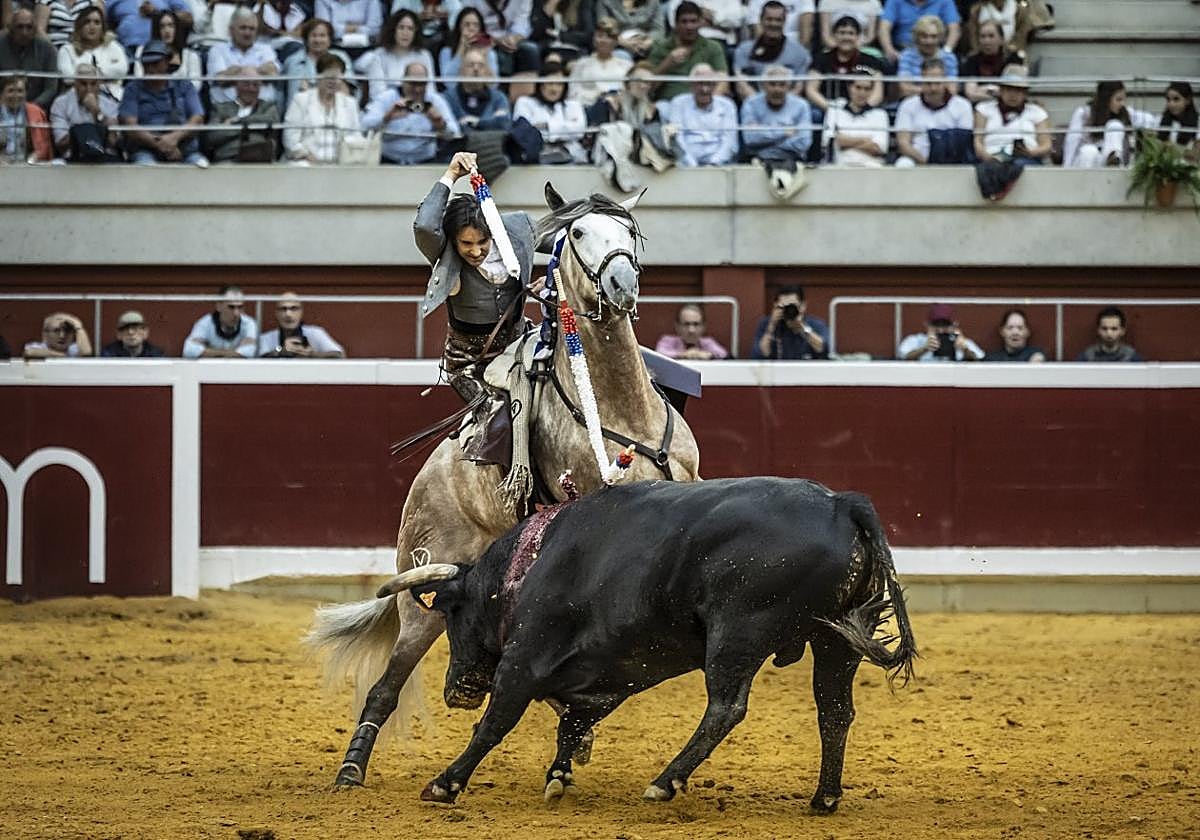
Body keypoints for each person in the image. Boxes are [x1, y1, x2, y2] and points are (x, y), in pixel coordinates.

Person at [413, 149, 538, 407]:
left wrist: (551, 279)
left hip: (519, 348)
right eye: (466, 243)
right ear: (454, 240)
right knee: (496, 418)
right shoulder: (444, 251)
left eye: (483, 242)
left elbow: (562, 241)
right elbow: (425, 226)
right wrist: (451, 175)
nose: (476, 251)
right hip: (468, 363)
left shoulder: (517, 230)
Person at [117, 39, 206, 165]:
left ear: (167, 62)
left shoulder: (184, 85)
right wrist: (161, 144)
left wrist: (174, 138)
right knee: (146, 167)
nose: (150, 68)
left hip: (183, 148)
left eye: (155, 63)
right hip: (146, 149)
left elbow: (197, 118)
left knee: (201, 165)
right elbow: (130, 124)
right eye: (146, 64)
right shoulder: (133, 88)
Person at [362, 60, 459, 164]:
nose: (417, 89)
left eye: (422, 84)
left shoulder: (434, 100)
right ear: (403, 81)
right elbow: (364, 126)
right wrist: (387, 117)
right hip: (390, 160)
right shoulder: (387, 98)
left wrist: (440, 124)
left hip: (425, 162)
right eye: (413, 83)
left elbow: (455, 133)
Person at [740, 63, 813, 197]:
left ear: (789, 86)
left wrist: (764, 139)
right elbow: (750, 138)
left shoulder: (801, 105)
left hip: (792, 159)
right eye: (772, 84)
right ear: (763, 86)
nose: (777, 89)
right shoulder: (751, 103)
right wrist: (784, 133)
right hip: (758, 161)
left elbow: (803, 142)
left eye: (782, 84)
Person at [283, 52, 361, 163]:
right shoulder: (301, 100)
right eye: (328, 77)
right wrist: (308, 157)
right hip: (307, 161)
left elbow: (356, 136)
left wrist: (344, 156)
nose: (332, 82)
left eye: (336, 78)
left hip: (340, 163)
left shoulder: (350, 103)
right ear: (318, 76)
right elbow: (290, 140)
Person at [894, 58, 973, 166]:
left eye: (937, 83)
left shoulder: (963, 105)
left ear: (945, 81)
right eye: (928, 83)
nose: (933, 88)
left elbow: (963, 142)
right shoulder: (908, 105)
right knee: (902, 164)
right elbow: (903, 143)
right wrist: (927, 163)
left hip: (952, 161)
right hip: (917, 159)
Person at [1063, 80, 1158, 169]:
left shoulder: (1125, 113)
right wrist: (1066, 169)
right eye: (1118, 99)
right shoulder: (1084, 113)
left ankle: (1113, 160)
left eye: (1124, 100)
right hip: (1085, 160)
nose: (1122, 104)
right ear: (1106, 98)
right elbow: (1072, 142)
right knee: (1089, 151)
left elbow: (1148, 120)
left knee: (1115, 125)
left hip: (1104, 162)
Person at [648, 1, 727, 102]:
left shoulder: (713, 47)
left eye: (693, 21)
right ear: (676, 24)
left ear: (700, 23)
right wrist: (667, 63)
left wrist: (710, 104)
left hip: (703, 104)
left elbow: (723, 82)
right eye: (684, 22)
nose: (689, 26)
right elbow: (648, 87)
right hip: (669, 104)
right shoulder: (661, 47)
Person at [512, 56, 587, 163]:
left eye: (559, 84)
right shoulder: (525, 102)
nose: (554, 89)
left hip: (570, 155)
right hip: (536, 156)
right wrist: (565, 128)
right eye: (550, 83)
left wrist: (547, 125)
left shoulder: (573, 105)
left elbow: (579, 130)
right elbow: (524, 132)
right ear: (541, 85)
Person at [733, 0, 811, 101]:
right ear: (761, 20)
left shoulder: (800, 52)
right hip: (754, 107)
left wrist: (781, 105)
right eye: (769, 19)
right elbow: (742, 85)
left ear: (784, 21)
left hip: (789, 108)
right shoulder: (744, 50)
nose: (773, 24)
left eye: (778, 20)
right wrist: (762, 105)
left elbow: (798, 87)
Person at [805, 15, 883, 114]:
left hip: (863, 109)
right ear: (834, 35)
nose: (846, 37)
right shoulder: (821, 59)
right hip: (828, 108)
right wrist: (832, 109)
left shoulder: (871, 61)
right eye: (842, 33)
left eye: (851, 33)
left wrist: (863, 108)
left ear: (858, 36)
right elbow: (811, 90)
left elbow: (878, 93)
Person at [973, 64, 1049, 165]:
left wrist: (1031, 152)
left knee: (1018, 165)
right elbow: (978, 141)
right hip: (991, 157)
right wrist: (987, 157)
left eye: (1018, 90)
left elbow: (1046, 145)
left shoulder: (1036, 112)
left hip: (1025, 159)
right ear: (1001, 90)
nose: (1013, 95)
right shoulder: (984, 109)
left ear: (1025, 93)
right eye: (1009, 89)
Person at [665, 63, 737, 167]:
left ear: (715, 85)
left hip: (719, 163)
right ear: (691, 84)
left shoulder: (727, 105)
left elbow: (729, 141)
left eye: (709, 84)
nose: (705, 89)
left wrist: (714, 163)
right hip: (687, 164)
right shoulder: (678, 103)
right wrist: (692, 165)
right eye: (700, 83)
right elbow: (677, 138)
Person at [356, 9, 436, 103]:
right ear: (393, 30)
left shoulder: (424, 55)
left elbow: (431, 89)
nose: (405, 33)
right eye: (401, 27)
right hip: (385, 107)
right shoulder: (379, 54)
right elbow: (377, 92)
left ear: (416, 32)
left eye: (410, 28)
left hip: (417, 105)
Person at [204, 66, 280, 163]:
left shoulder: (267, 106)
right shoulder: (220, 108)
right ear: (236, 85)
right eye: (246, 84)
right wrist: (252, 128)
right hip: (229, 159)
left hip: (260, 159)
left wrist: (237, 122)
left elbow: (272, 121)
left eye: (256, 85)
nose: (251, 89)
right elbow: (212, 136)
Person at [207, 8, 279, 106]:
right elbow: (220, 80)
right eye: (243, 28)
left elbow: (273, 74)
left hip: (262, 110)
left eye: (252, 29)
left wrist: (235, 72)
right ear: (231, 30)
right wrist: (257, 72)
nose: (247, 33)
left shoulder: (266, 49)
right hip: (226, 108)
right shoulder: (217, 50)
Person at [50, 61, 119, 159]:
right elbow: (60, 142)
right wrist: (83, 133)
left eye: (93, 84)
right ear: (75, 84)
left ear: (99, 84)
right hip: (73, 157)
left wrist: (97, 112)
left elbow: (113, 141)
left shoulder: (110, 104)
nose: (88, 89)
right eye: (83, 84)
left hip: (104, 156)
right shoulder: (60, 104)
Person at [280, 18, 353, 109]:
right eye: (314, 35)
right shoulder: (293, 61)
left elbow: (348, 90)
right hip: (301, 112)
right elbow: (286, 94)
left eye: (322, 36)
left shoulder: (341, 57)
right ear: (306, 39)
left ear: (330, 39)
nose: (318, 40)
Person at [56, 5, 126, 98]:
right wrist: (104, 77)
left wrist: (86, 76)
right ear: (79, 26)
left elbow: (121, 70)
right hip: (77, 97)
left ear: (103, 27)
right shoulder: (67, 50)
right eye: (87, 22)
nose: (92, 27)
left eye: (97, 22)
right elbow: (68, 78)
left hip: (112, 97)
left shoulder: (113, 46)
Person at [458, 0, 540, 77]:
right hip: (481, 37)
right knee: (501, 55)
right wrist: (493, 40)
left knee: (530, 49)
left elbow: (522, 22)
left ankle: (524, 91)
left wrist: (513, 39)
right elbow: (468, 25)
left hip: (509, 36)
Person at [0, 6, 59, 111]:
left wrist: (30, 108)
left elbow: (51, 89)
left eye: (29, 27)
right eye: (20, 27)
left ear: (35, 29)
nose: (24, 32)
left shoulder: (47, 49)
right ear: (11, 28)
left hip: (36, 107)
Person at [822, 72, 887, 165]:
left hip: (871, 166)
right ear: (849, 88)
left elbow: (878, 148)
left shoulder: (880, 114)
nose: (862, 93)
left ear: (872, 91)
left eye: (867, 89)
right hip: (840, 166)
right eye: (858, 87)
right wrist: (865, 140)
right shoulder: (835, 109)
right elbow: (829, 141)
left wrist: (846, 142)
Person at [751, 285, 829, 360]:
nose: (788, 310)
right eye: (783, 306)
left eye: (792, 306)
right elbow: (760, 354)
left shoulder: (815, 324)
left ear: (803, 306)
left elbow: (823, 348)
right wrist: (771, 326)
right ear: (775, 306)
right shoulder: (766, 324)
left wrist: (802, 328)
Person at [132, 10, 202, 92]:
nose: (167, 30)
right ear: (157, 30)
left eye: (171, 25)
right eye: (162, 26)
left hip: (181, 100)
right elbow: (139, 78)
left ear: (177, 28)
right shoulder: (141, 51)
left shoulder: (190, 55)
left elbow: (196, 84)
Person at [567, 17, 631, 106]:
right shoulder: (582, 64)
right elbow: (573, 94)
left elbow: (631, 93)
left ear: (615, 41)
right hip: (588, 108)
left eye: (609, 37)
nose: (603, 41)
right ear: (594, 40)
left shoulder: (627, 66)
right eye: (600, 36)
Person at [258, 292, 346, 357]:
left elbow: (339, 355)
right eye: (283, 309)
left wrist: (312, 354)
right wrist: (281, 350)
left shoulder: (315, 333)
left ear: (301, 312)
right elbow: (258, 360)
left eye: (294, 308)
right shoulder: (267, 338)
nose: (288, 314)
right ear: (276, 313)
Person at [444, 44, 510, 130]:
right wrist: (490, 123)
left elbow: (503, 125)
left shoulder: (499, 98)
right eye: (471, 65)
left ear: (486, 71)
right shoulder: (448, 98)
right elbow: (449, 128)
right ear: (461, 71)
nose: (476, 69)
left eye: (481, 65)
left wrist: (477, 123)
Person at [182, 285, 258, 358]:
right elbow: (189, 350)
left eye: (240, 307)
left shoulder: (249, 324)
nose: (236, 313)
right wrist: (234, 352)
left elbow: (250, 352)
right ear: (219, 306)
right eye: (231, 307)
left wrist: (209, 351)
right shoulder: (206, 323)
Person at [437, 7, 499, 95]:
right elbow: (449, 83)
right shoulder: (446, 52)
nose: (471, 28)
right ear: (459, 27)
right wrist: (461, 49)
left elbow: (493, 85)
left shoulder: (490, 53)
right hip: (456, 97)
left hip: (483, 96)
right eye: (467, 24)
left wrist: (484, 57)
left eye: (476, 25)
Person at [878, 0, 959, 63]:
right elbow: (884, 28)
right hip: (901, 51)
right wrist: (889, 51)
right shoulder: (894, 1)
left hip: (935, 50)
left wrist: (946, 52)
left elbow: (954, 30)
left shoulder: (945, 1)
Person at [896, 13, 956, 98]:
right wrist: (936, 91)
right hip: (913, 101)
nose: (929, 41)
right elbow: (904, 89)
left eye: (934, 36)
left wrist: (921, 90)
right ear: (917, 37)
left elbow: (952, 90)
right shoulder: (907, 56)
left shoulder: (949, 58)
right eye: (924, 36)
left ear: (940, 38)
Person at [897, 302, 984, 361]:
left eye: (945, 325)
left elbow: (980, 360)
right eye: (936, 325)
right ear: (927, 325)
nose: (941, 330)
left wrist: (965, 350)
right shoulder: (916, 340)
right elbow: (903, 358)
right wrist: (924, 349)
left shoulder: (962, 342)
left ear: (954, 325)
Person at [960, 19, 1018, 103]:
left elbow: (1012, 91)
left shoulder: (1013, 59)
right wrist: (996, 92)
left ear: (1001, 39)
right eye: (983, 36)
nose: (986, 41)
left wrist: (981, 89)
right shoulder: (971, 61)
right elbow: (971, 94)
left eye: (991, 36)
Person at [1, 72, 52, 161]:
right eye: (11, 91)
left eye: (20, 91)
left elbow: (43, 146)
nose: (16, 95)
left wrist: (31, 160)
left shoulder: (36, 112)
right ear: (1, 94)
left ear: (26, 93)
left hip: (27, 164)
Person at [105, 0, 192, 51]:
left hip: (159, 49)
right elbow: (100, 16)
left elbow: (188, 18)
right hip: (126, 49)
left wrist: (158, 13)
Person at [655, 303, 729, 360]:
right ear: (677, 326)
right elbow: (659, 354)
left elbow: (724, 355)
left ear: (703, 326)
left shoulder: (708, 342)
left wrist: (709, 355)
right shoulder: (667, 340)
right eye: (686, 324)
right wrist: (683, 355)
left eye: (696, 324)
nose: (691, 330)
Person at [594, 0, 663, 58]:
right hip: (618, 45)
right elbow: (604, 28)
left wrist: (647, 42)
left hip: (646, 43)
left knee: (659, 53)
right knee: (622, 55)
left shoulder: (653, 2)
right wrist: (625, 43)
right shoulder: (605, 1)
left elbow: (658, 29)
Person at [1076, 306, 1143, 363]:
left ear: (1122, 331)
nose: (1109, 333)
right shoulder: (1087, 357)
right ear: (1098, 330)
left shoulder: (1132, 358)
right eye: (1104, 328)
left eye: (1114, 329)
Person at [34, 0, 101, 49]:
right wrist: (54, 53)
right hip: (54, 50)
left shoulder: (93, 1)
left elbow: (100, 28)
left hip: (84, 50)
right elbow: (39, 30)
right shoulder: (46, 1)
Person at [23, 311, 92, 357]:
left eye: (67, 331)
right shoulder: (37, 346)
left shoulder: (73, 349)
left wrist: (78, 327)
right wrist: (62, 356)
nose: (62, 336)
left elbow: (86, 352)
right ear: (45, 334)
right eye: (56, 331)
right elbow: (30, 352)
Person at [99, 310, 167, 357]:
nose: (130, 332)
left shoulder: (156, 355)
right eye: (125, 329)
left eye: (135, 328)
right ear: (119, 334)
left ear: (145, 332)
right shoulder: (109, 355)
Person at [1158, 81, 1199, 159]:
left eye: (1176, 99)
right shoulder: (1162, 120)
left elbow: (1196, 155)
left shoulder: (1198, 122)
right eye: (1168, 100)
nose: (1171, 104)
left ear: (1188, 100)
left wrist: (1174, 149)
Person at [315, 0, 383, 45]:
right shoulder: (322, 1)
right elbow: (324, 30)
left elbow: (375, 30)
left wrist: (341, 28)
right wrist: (359, 27)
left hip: (367, 47)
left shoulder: (372, 1)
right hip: (333, 46)